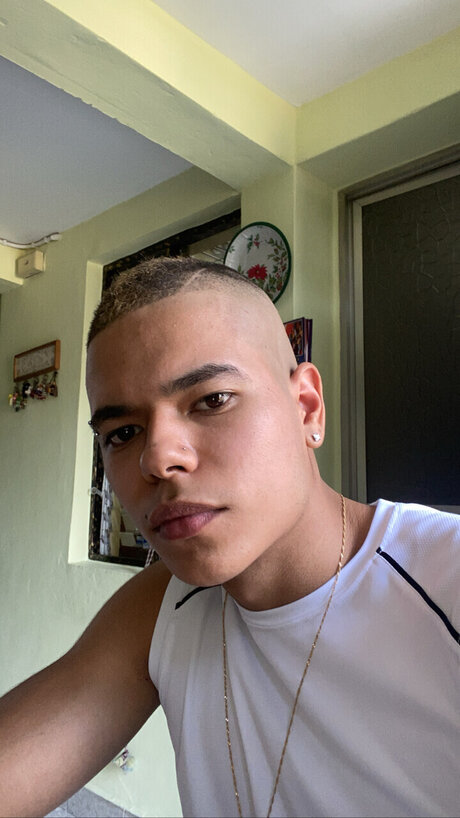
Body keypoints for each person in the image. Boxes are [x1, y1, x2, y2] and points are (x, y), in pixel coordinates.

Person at [0, 256, 458, 818]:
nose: (157, 458)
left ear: (307, 409)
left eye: (212, 400)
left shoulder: (445, 581)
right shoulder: (162, 610)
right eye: (123, 432)